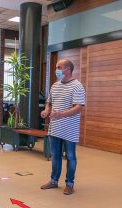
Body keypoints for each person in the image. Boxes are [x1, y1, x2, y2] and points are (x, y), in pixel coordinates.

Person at [40, 59, 86, 195]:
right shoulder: (55, 86)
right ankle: (54, 181)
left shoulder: (77, 86)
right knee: (55, 156)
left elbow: (78, 108)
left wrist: (62, 115)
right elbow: (49, 102)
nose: (56, 70)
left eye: (59, 67)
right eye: (56, 67)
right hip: (55, 128)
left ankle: (69, 184)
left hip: (69, 129)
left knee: (71, 156)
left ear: (68, 69)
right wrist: (46, 111)